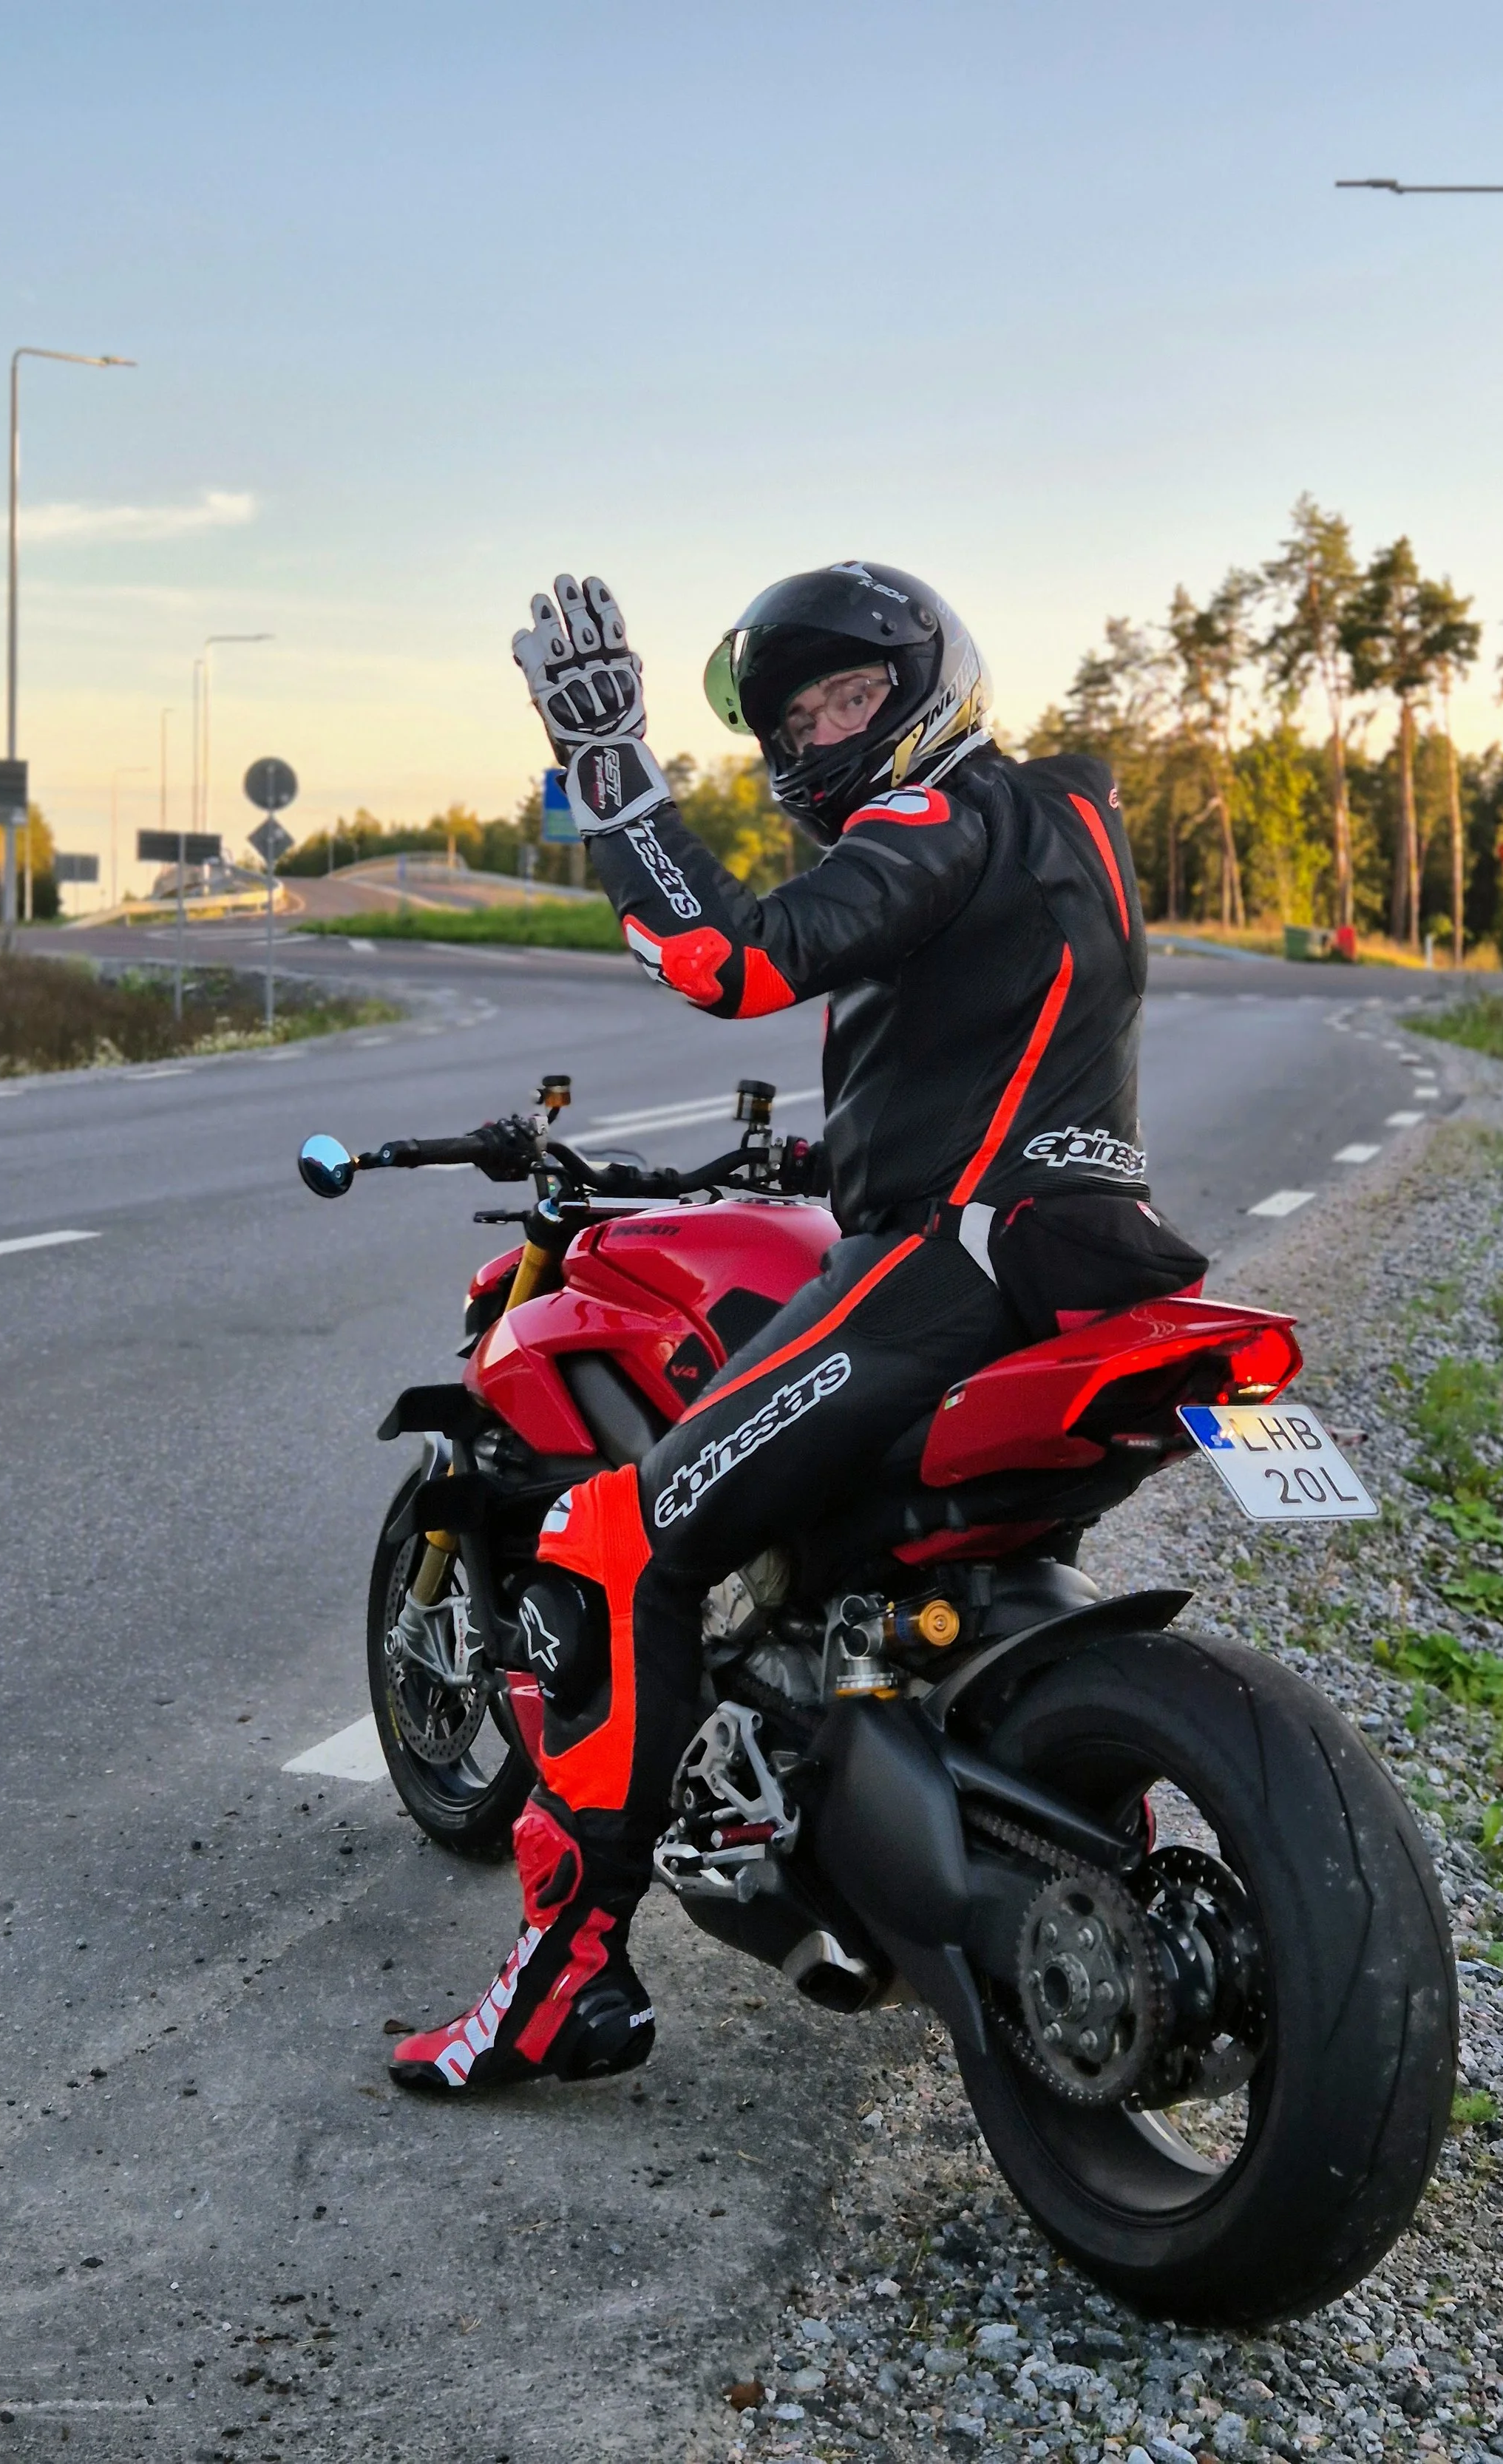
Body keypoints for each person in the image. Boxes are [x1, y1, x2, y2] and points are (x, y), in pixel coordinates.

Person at [389, 562, 1206, 2093]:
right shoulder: (1065, 823)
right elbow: (1009, 1034)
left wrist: (609, 769)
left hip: (952, 1267)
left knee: (615, 1537)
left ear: (930, 690)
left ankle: (565, 1979)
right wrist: (850, 1156)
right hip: (1086, 1252)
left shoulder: (935, 812)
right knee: (858, 1556)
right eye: (800, 713)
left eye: (852, 693)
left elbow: (728, 958)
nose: (825, 727)